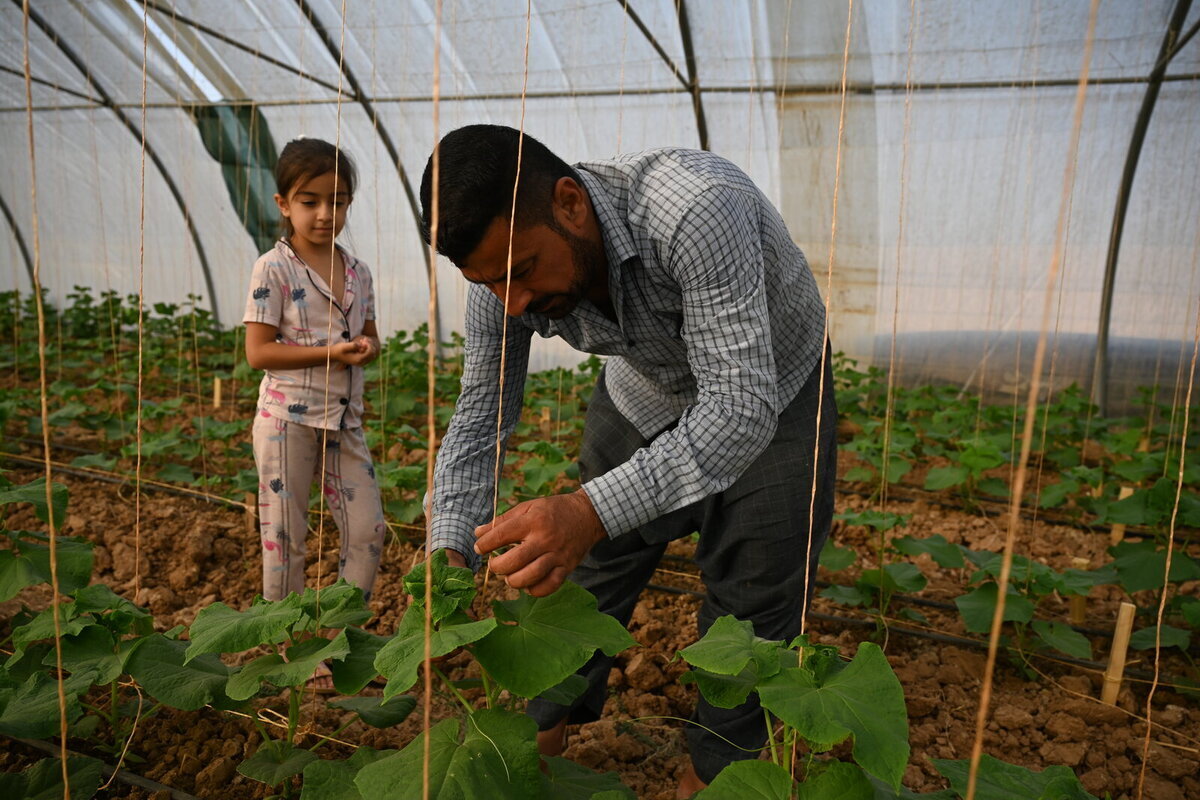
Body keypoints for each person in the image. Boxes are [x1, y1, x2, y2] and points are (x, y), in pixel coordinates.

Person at [420, 124, 837, 796]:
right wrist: (448, 547)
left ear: (569, 203)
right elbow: (479, 414)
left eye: (523, 271)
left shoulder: (694, 209)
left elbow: (737, 407)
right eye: (492, 285)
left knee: (754, 602)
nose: (515, 303)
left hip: (774, 388)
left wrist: (588, 509)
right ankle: (541, 737)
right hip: (643, 390)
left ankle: (717, 775)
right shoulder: (500, 278)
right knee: (585, 569)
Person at [243, 138, 386, 687]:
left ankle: (337, 641)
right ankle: (289, 654)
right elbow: (259, 352)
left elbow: (369, 335)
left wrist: (367, 347)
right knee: (286, 538)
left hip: (344, 421)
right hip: (287, 422)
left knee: (368, 532)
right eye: (311, 201)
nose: (327, 213)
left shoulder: (359, 272)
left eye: (339, 201)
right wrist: (331, 353)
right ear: (284, 203)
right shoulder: (272, 269)